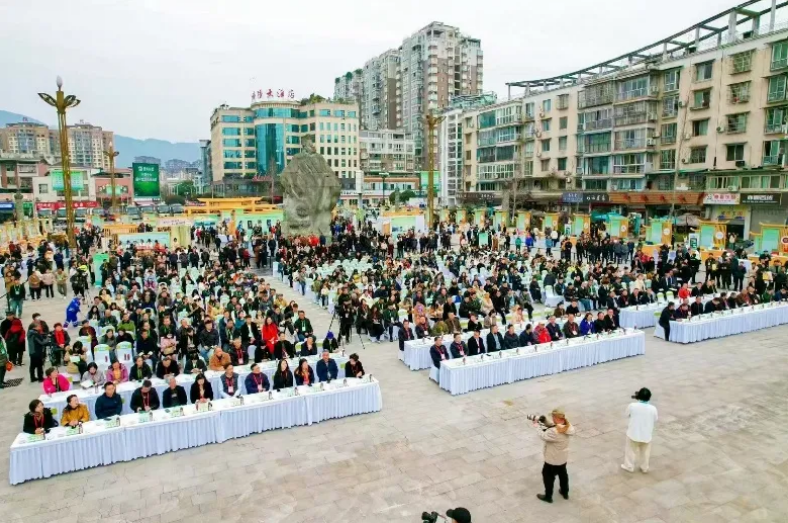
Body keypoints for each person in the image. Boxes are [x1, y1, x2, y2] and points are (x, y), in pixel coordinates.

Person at [535, 408, 576, 503]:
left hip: (552, 459)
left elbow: (543, 435)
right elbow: (555, 426)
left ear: (556, 417)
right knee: (563, 475)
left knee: (547, 476)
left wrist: (537, 425)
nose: (552, 418)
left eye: (553, 417)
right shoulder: (567, 426)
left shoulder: (554, 432)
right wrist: (545, 421)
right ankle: (565, 492)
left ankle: (548, 496)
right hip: (562, 458)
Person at [622, 387, 658, 474]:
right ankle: (644, 467)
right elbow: (655, 419)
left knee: (630, 451)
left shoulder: (632, 406)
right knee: (645, 453)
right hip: (646, 435)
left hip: (633, 434)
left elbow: (626, 414)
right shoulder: (653, 408)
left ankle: (629, 466)